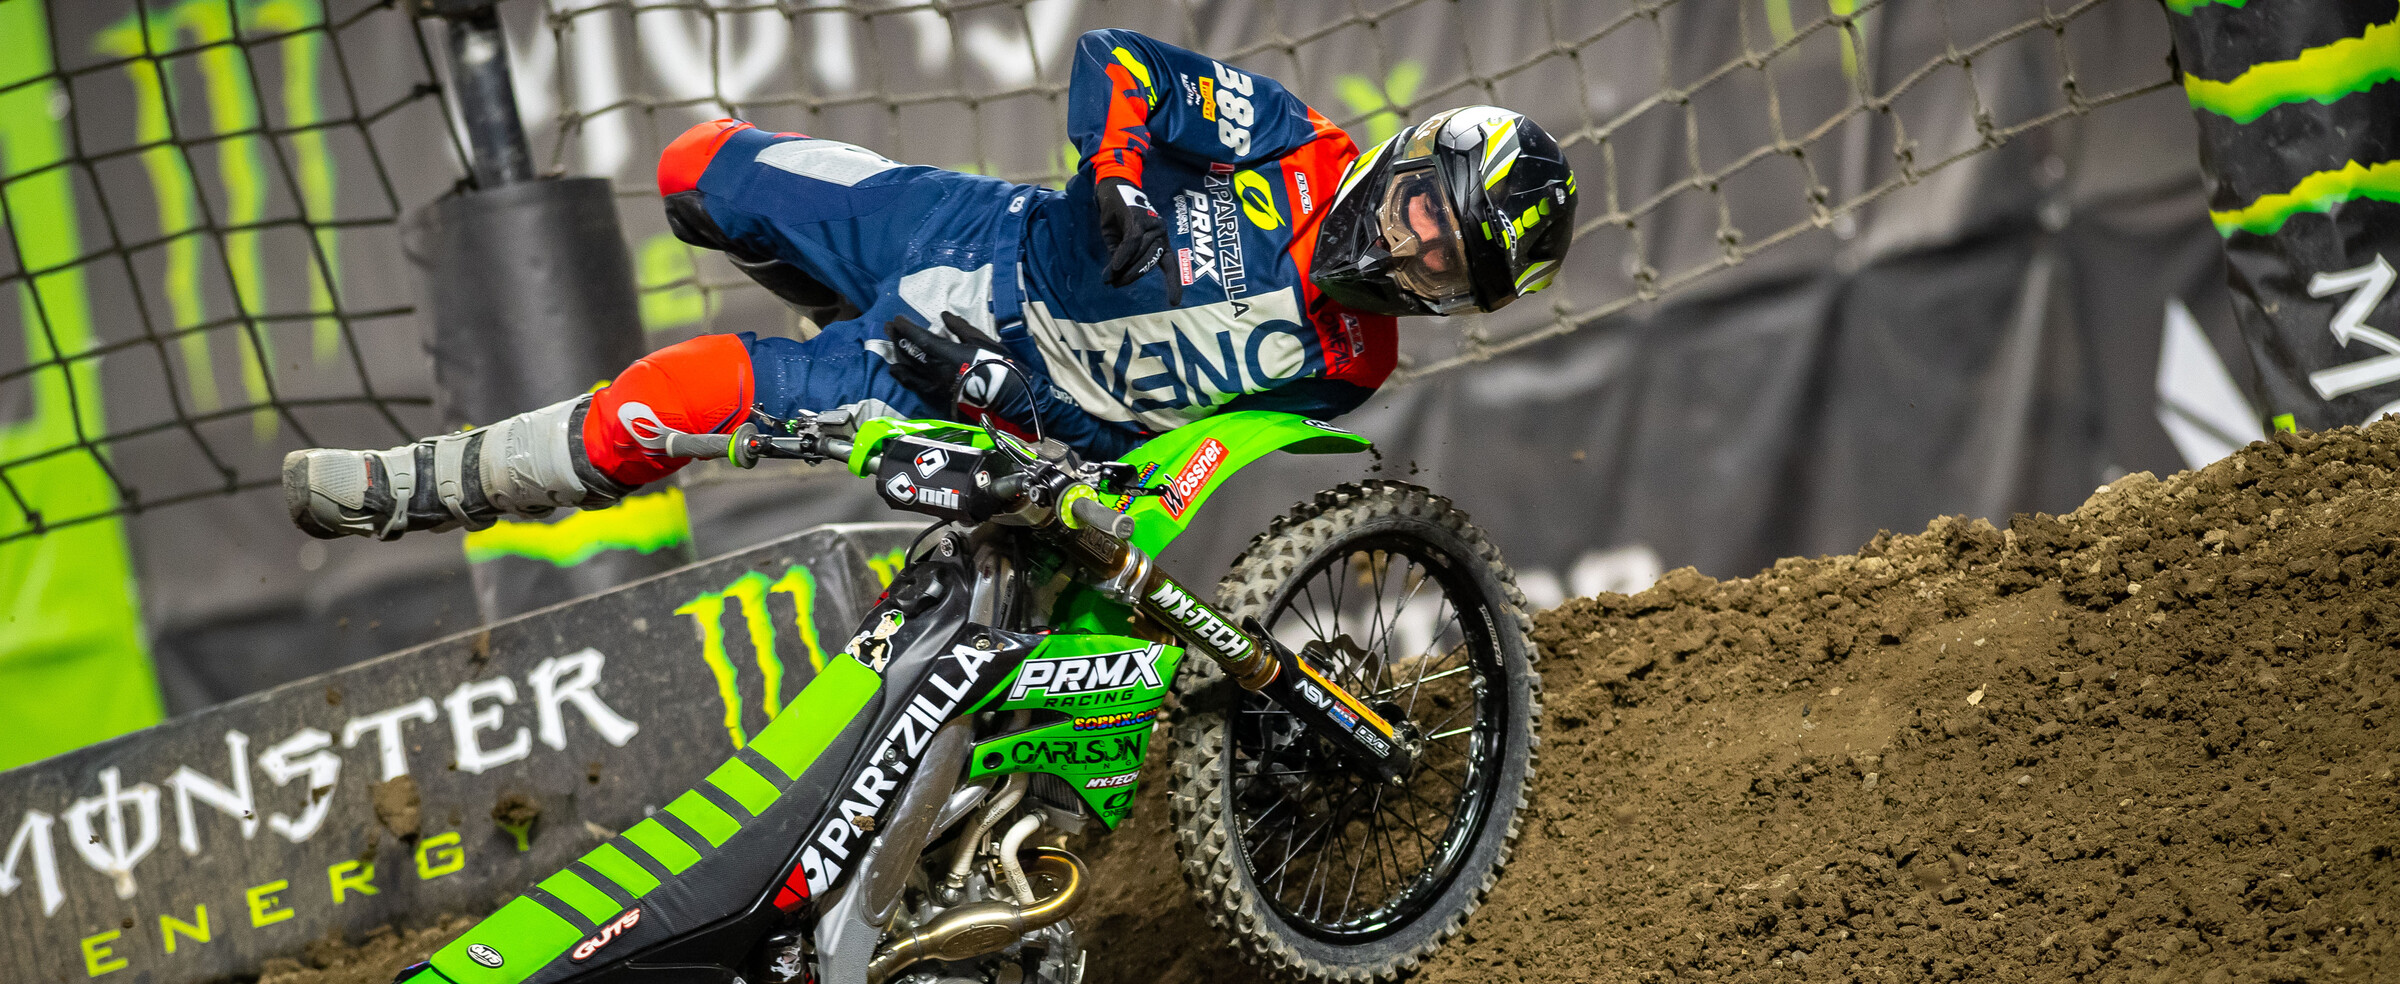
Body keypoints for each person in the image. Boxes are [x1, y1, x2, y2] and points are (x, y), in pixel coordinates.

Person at [283, 29, 1577, 541]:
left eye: (1446, 272)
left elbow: (1190, 464)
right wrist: (1121, 171)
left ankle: (425, 490)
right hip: (967, 231)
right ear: (1413, 157)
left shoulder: (1352, 367)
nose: (1412, 254)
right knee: (697, 169)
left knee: (681, 403)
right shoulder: (1294, 143)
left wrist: (1045, 448)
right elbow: (1119, 65)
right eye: (1426, 214)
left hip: (984, 395)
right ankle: (833, 325)